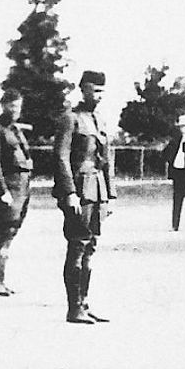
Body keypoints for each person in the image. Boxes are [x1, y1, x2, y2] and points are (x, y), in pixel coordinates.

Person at [54, 70, 115, 324]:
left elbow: (107, 159)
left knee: (90, 247)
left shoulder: (99, 120)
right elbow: (61, 157)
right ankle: (74, 307)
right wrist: (69, 192)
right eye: (95, 90)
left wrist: (110, 195)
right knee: (77, 247)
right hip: (79, 189)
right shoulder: (71, 119)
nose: (99, 96)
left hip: (97, 189)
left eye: (102, 91)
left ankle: (85, 303)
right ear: (83, 89)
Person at [0, 89, 32, 295]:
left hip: (23, 187)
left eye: (19, 106)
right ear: (3, 105)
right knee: (3, 232)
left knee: (12, 232)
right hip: (10, 186)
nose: (16, 110)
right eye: (12, 106)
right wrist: (3, 190)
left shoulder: (16, 130)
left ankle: (0, 280)